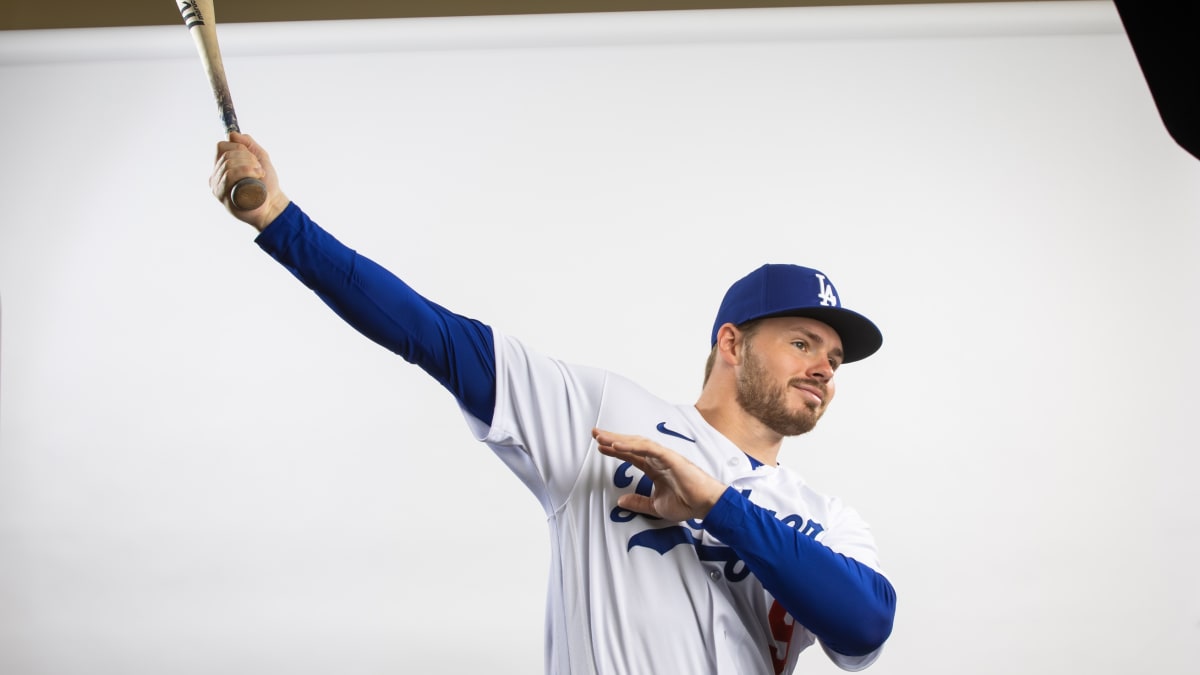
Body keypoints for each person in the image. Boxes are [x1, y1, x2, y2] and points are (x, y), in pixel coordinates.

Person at [210, 132, 897, 675]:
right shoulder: (609, 414)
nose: (823, 368)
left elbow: (864, 626)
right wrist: (280, 221)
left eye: (834, 360)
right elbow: (436, 337)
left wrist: (717, 504)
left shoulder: (828, 520)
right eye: (803, 342)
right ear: (731, 342)